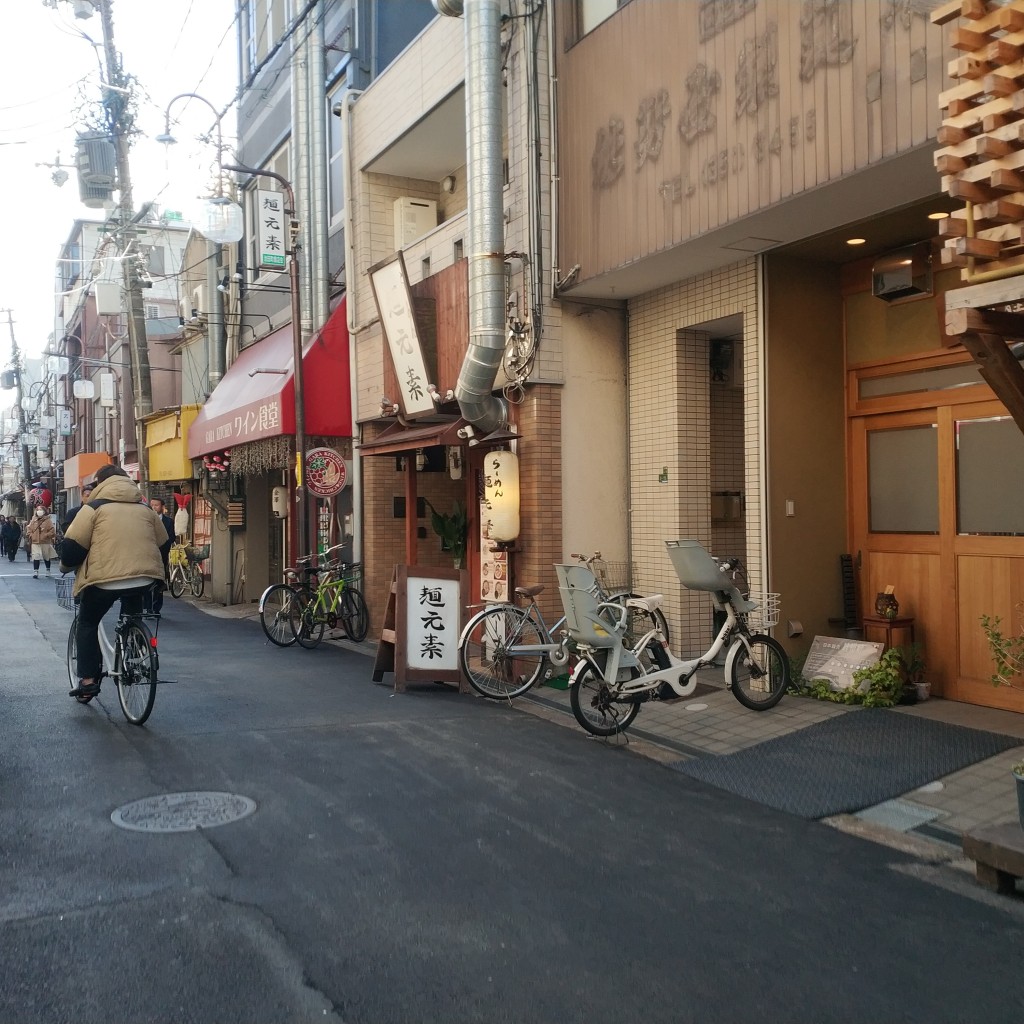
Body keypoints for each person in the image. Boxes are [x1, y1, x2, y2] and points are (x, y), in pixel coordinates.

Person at [60, 465, 171, 698]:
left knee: (88, 622)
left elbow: (72, 548)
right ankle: (133, 654)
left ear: (100, 483)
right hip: (144, 578)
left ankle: (88, 680)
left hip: (105, 580)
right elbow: (163, 543)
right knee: (131, 613)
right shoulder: (146, 509)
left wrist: (66, 565)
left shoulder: (93, 508)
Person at [147, 497, 175, 614]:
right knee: (148, 581)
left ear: (162, 507)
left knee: (159, 582)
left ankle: (157, 608)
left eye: (156, 505)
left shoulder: (168, 521)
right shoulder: (145, 520)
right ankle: (148, 608)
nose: (153, 507)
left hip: (162, 555)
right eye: (152, 505)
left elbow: (172, 537)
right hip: (147, 555)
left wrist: (164, 545)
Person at [25, 506, 58, 578]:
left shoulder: (48, 520)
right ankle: (35, 571)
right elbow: (29, 529)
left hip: (45, 542)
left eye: (41, 510)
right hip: (35, 541)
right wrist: (31, 535)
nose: (39, 511)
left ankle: (48, 570)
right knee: (36, 556)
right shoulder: (33, 520)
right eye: (38, 510)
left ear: (44, 511)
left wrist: (46, 535)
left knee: (46, 556)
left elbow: (52, 531)